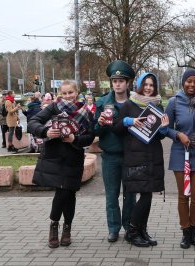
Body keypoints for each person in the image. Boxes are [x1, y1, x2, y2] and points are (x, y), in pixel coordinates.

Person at [28, 80, 95, 248]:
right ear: (59, 94)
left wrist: (75, 139)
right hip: (55, 157)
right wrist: (46, 131)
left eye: (70, 92)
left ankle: (67, 229)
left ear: (77, 92)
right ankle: (54, 225)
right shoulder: (53, 108)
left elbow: (90, 136)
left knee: (70, 194)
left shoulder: (85, 112)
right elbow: (32, 123)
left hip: (74, 157)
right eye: (64, 93)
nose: (67, 96)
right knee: (61, 192)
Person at [114, 72, 169, 247]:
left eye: (152, 85)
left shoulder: (158, 106)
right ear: (139, 85)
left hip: (153, 155)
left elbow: (160, 136)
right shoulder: (129, 104)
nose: (148, 88)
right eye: (145, 84)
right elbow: (116, 127)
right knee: (144, 195)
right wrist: (129, 121)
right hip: (135, 156)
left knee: (149, 195)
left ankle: (142, 230)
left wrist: (164, 128)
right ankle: (132, 230)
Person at [164, 69, 195, 249]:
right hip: (180, 153)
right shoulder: (174, 102)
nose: (192, 85)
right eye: (188, 81)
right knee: (184, 195)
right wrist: (178, 135)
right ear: (183, 82)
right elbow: (164, 128)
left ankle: (193, 229)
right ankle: (185, 232)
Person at [94, 60, 136, 243]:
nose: (117, 84)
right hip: (110, 156)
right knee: (112, 195)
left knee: (130, 195)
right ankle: (113, 228)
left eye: (121, 80)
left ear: (128, 83)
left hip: (130, 155)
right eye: (114, 80)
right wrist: (100, 123)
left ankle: (129, 227)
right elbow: (94, 131)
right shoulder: (103, 102)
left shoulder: (135, 102)